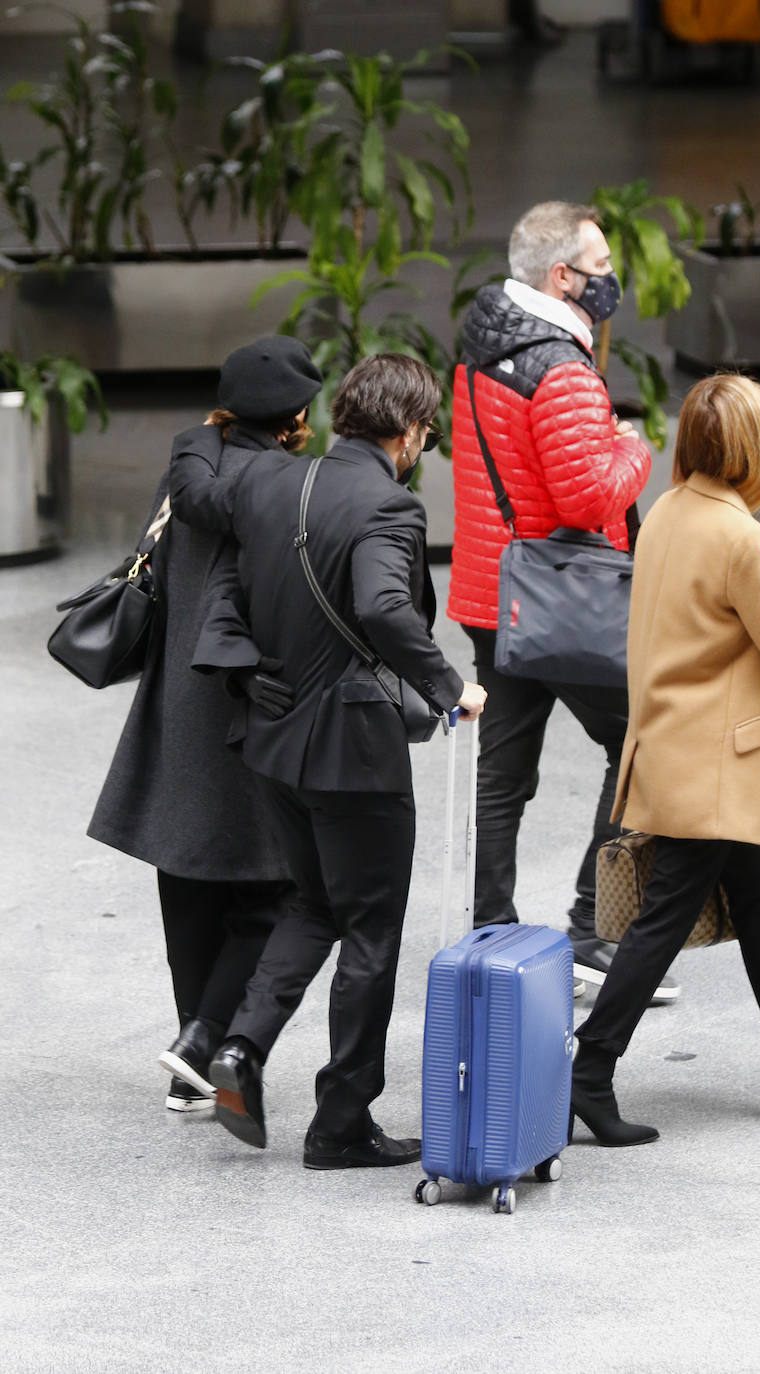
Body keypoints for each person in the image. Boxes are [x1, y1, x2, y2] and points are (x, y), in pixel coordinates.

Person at [170, 352, 486, 1170]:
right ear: (411, 431)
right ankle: (341, 1121)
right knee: (371, 930)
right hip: (354, 753)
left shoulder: (268, 482)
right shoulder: (389, 505)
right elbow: (382, 606)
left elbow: (210, 537)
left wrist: (206, 433)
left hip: (272, 744)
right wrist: (452, 686)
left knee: (311, 908)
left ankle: (240, 1049)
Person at [569, 373, 760, 1147]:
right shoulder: (739, 536)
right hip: (715, 766)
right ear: (750, 449)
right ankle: (589, 1072)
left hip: (675, 746)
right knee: (661, 922)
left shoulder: (668, 511)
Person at [447, 199, 678, 1003]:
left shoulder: (482, 342)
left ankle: (491, 933)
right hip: (565, 601)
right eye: (602, 267)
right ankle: (594, 931)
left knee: (503, 774)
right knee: (641, 746)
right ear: (561, 276)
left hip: (493, 593)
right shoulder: (563, 369)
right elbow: (586, 498)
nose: (610, 280)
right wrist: (635, 445)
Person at [87, 334, 323, 1112]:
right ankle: (208, 1039)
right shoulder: (289, 485)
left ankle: (191, 1062)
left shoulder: (187, 459)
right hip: (250, 703)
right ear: (295, 414)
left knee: (186, 882)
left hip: (175, 704)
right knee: (280, 886)